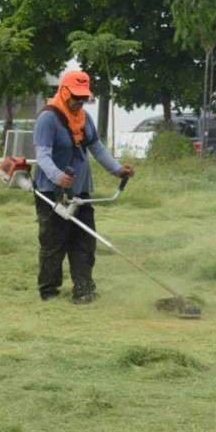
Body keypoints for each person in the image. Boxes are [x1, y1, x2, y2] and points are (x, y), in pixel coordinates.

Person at [33, 70, 134, 303]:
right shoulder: (48, 118)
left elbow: (96, 148)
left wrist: (117, 170)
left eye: (83, 97)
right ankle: (49, 292)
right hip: (52, 192)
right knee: (53, 243)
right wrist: (58, 177)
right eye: (75, 96)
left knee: (85, 242)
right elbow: (43, 156)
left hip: (80, 191)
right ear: (64, 91)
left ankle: (83, 289)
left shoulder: (84, 118)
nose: (79, 101)